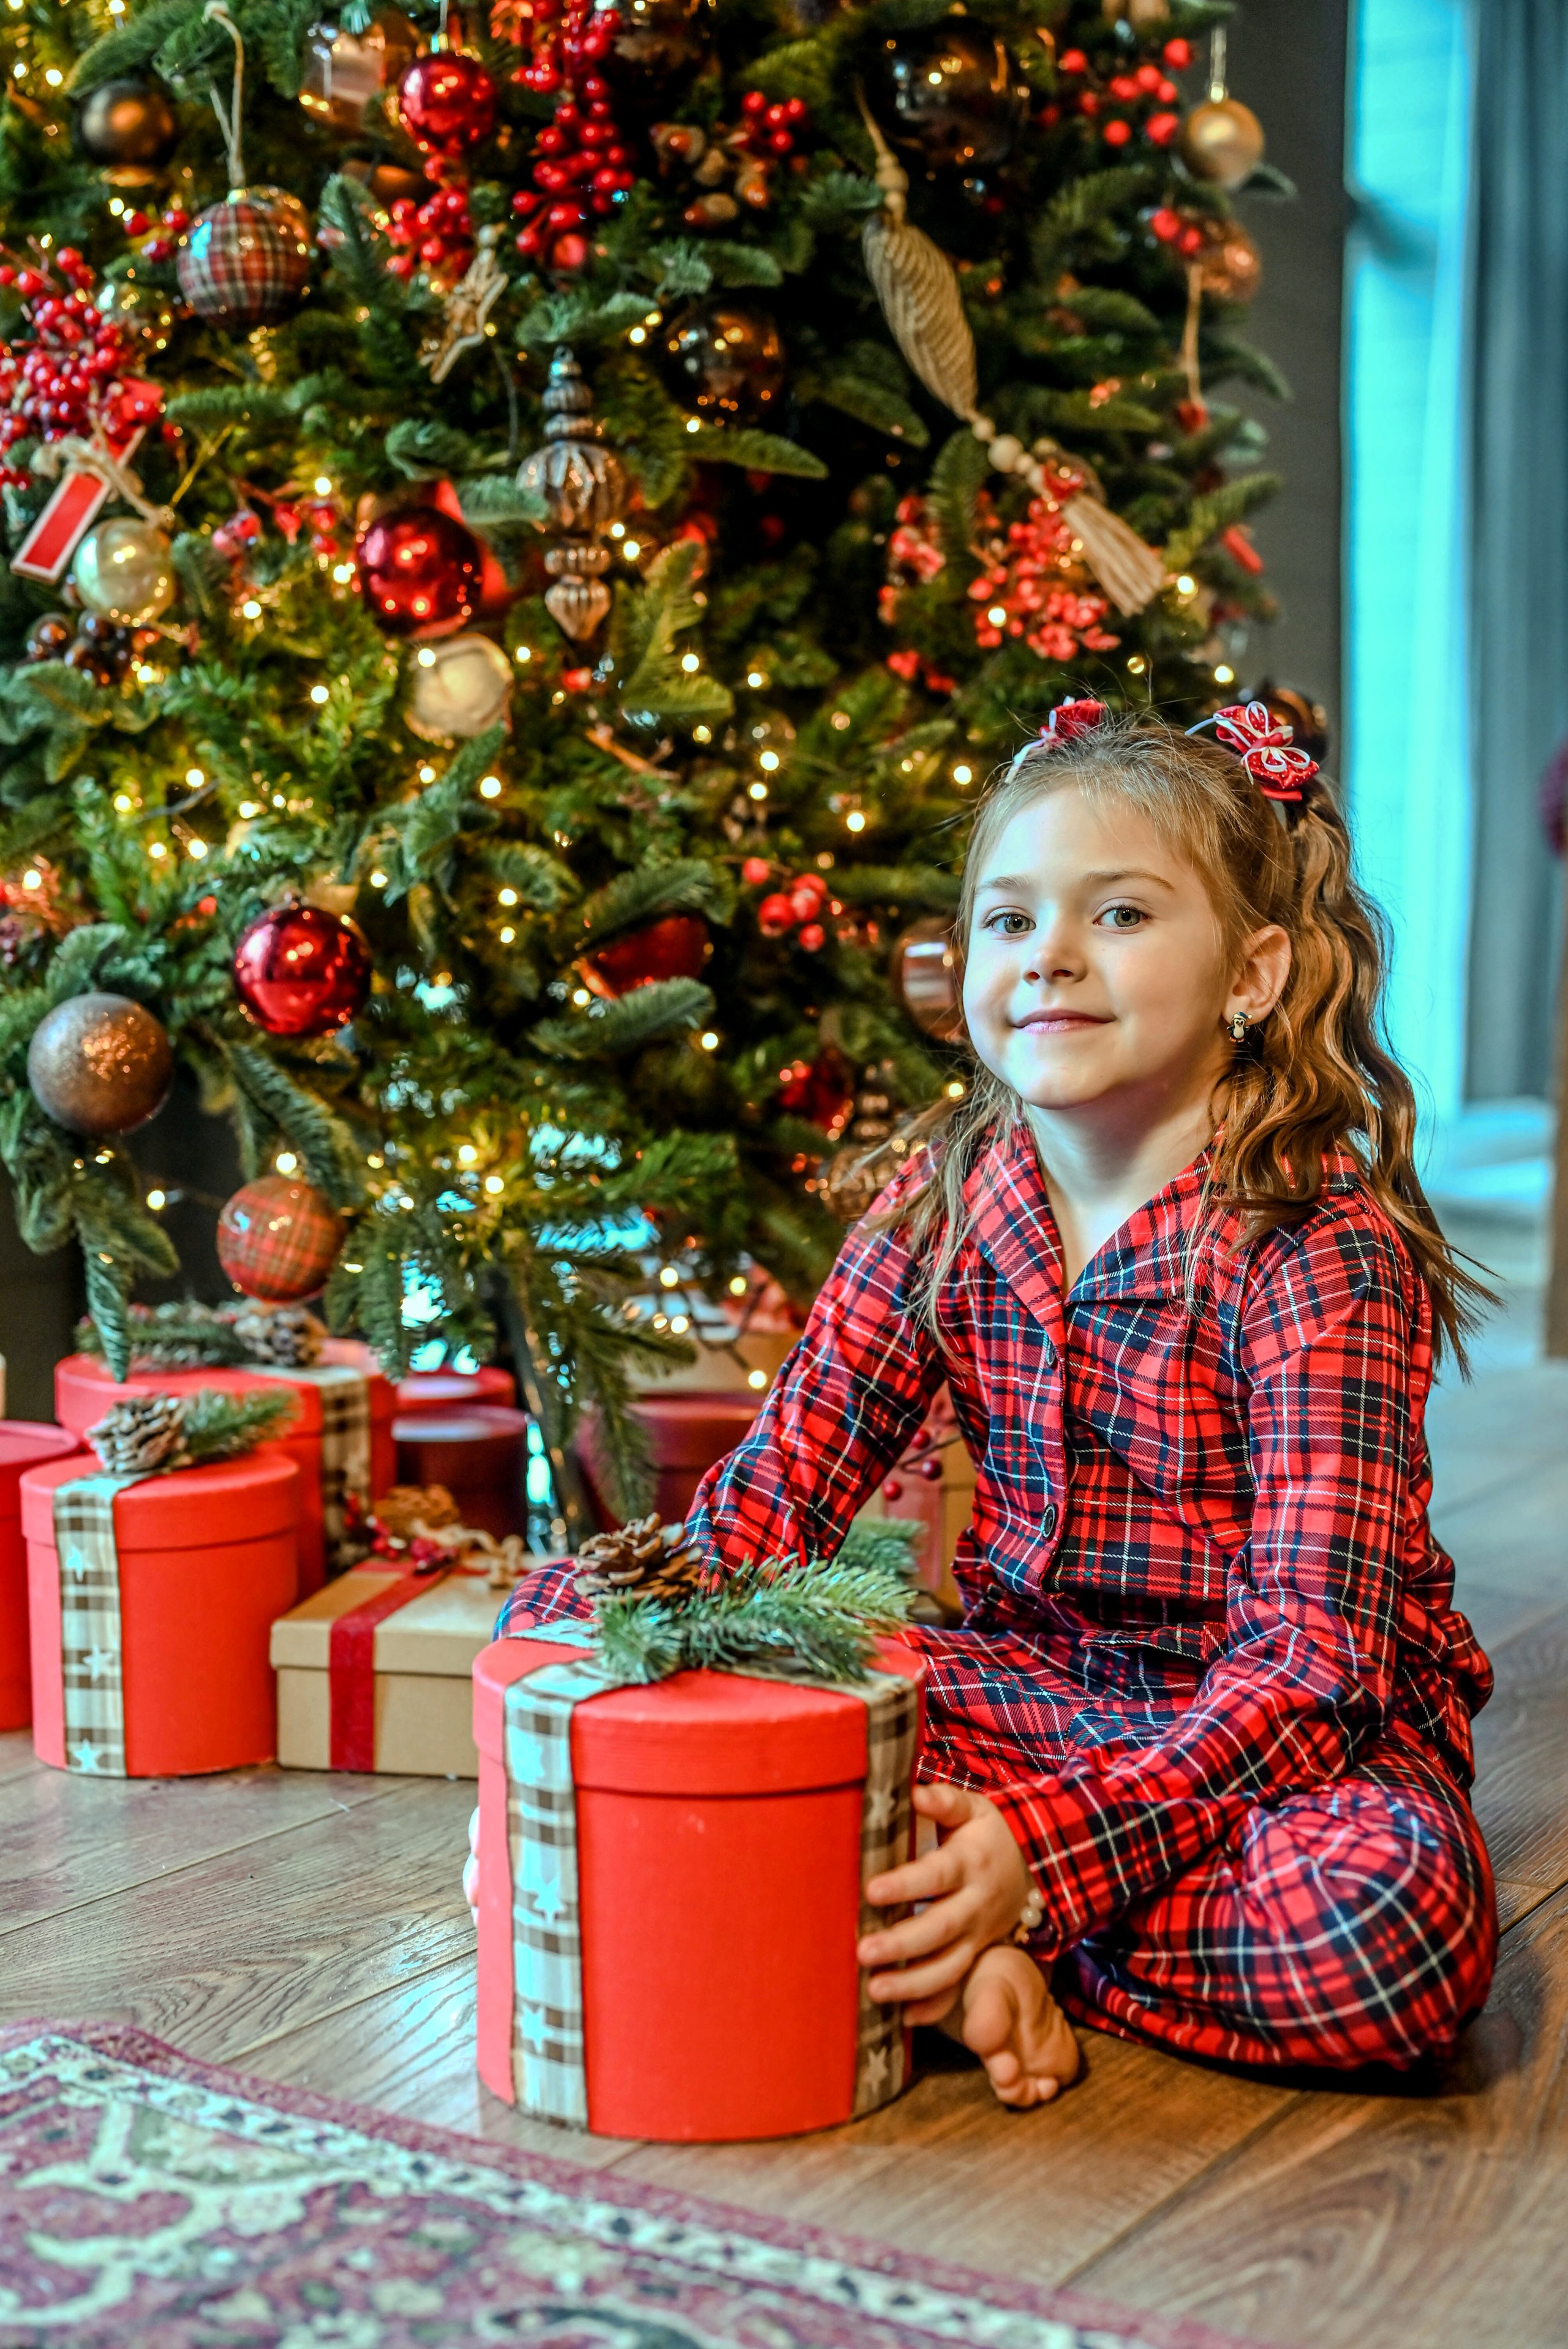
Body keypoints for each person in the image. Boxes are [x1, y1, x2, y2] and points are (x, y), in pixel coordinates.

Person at [491, 698, 1498, 2111]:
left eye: (1122, 915)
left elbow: (1308, 1673)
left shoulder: (1315, 1251)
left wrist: (1040, 1860)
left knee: (1377, 1932)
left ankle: (936, 1925)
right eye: (1008, 923)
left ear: (1251, 974)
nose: (1051, 963)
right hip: (1022, 1691)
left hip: (1275, 1750)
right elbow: (775, 1495)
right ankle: (931, 1924)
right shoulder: (944, 1197)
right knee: (558, 1629)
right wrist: (596, 1694)